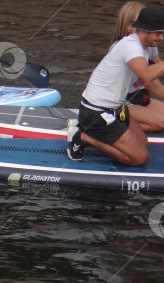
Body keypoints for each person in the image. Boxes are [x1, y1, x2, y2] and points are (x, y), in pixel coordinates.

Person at [67, 6, 164, 164]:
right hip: (96, 112)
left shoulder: (146, 48)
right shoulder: (130, 46)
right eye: (158, 33)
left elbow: (154, 83)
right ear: (145, 30)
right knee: (140, 157)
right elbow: (146, 74)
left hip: (117, 108)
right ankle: (83, 137)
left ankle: (92, 132)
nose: (161, 38)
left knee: (143, 143)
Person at [112, 2, 164, 132]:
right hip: (120, 101)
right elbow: (148, 81)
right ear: (129, 26)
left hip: (138, 96)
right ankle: (106, 128)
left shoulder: (148, 45)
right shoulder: (124, 47)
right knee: (159, 124)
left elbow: (159, 69)